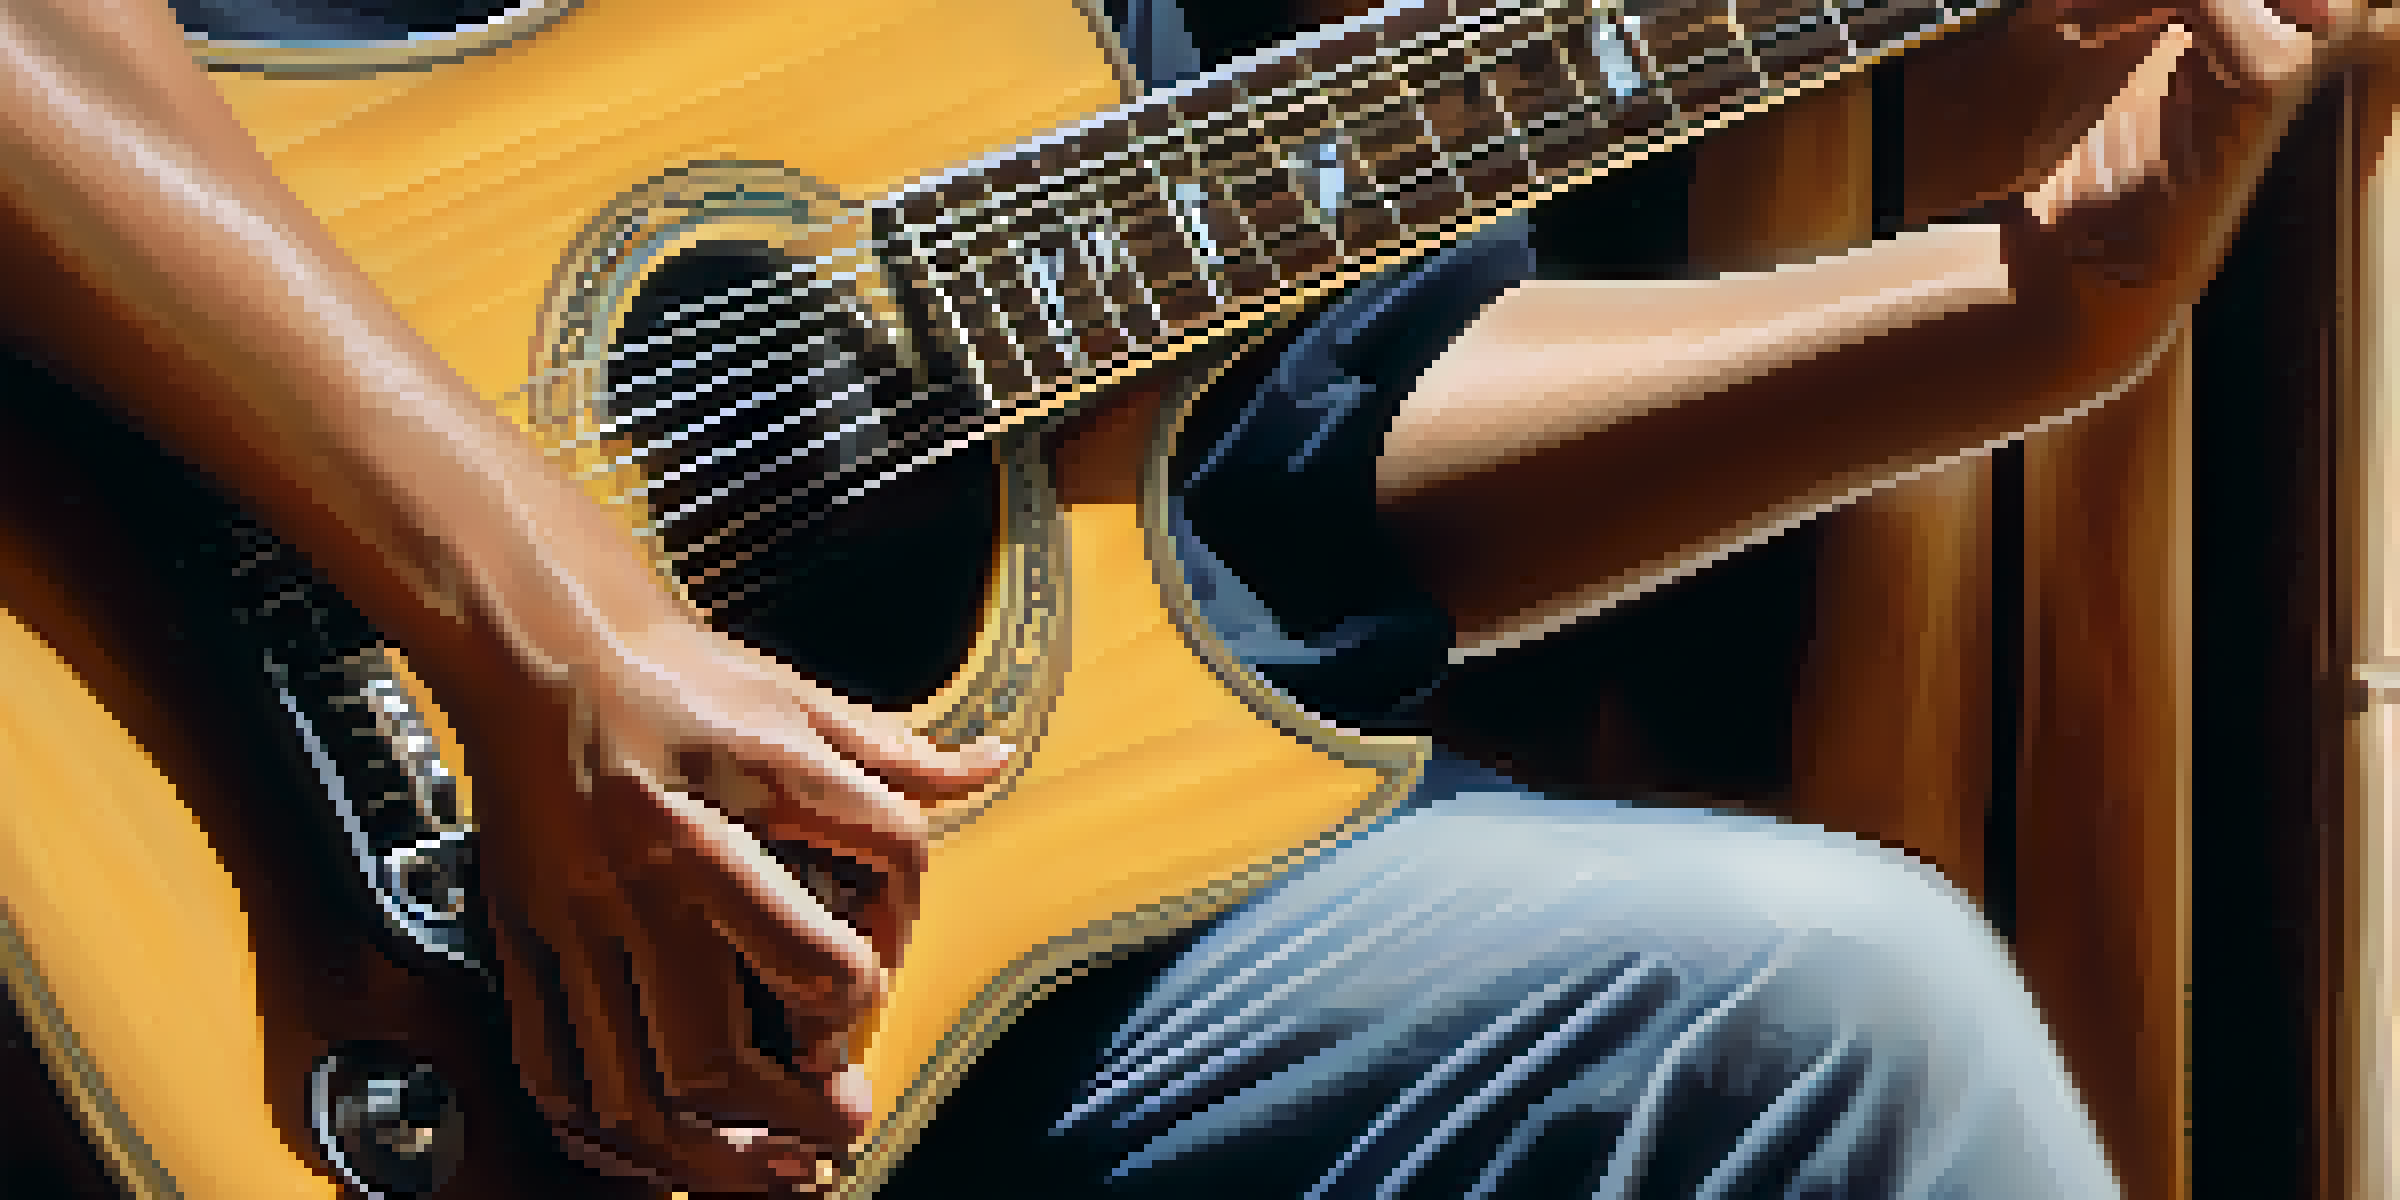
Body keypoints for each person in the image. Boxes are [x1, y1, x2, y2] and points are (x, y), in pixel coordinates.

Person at [0, 0, 2375, 1195]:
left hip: (956, 990)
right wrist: (528, 621)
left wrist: (2008, 312)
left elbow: (1301, 467)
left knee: (1826, 1006)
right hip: (167, 812)